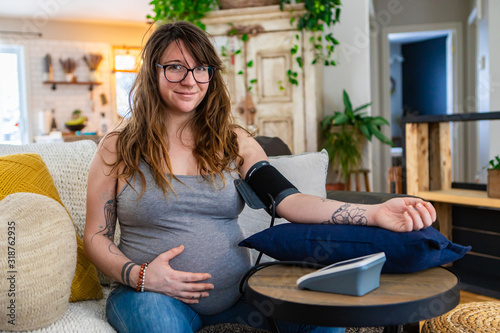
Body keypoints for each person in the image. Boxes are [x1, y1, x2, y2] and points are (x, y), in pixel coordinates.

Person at [83, 21, 436, 333]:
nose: (190, 80)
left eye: (200, 68)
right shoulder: (119, 147)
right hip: (150, 297)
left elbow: (289, 201)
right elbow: (96, 236)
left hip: (241, 297)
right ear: (153, 72)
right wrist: (141, 276)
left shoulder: (233, 141)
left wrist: (374, 213)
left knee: (326, 316)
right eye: (175, 67)